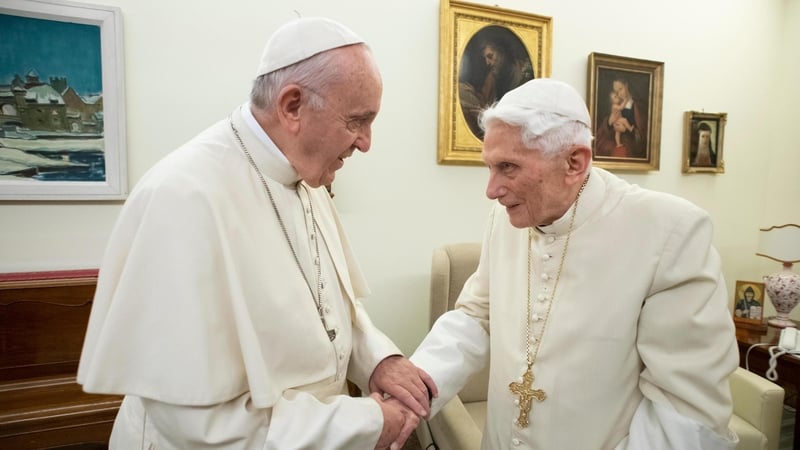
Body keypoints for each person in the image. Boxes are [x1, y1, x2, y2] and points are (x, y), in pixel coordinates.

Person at [77, 17, 436, 450]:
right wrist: (367, 423)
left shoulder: (307, 176)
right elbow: (201, 426)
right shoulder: (183, 196)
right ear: (292, 106)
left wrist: (379, 360)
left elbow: (333, 309)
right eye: (357, 121)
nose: (365, 142)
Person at [411, 79, 740, 449]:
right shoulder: (504, 218)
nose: (492, 190)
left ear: (574, 162)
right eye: (489, 167)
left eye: (508, 167)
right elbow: (476, 317)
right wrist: (411, 389)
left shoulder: (671, 232)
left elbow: (686, 412)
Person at [595, 77, 647, 158]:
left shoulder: (638, 105)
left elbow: (643, 134)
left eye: (620, 89)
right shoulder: (617, 104)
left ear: (626, 86)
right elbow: (603, 131)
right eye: (616, 92)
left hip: (631, 144)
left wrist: (626, 130)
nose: (619, 94)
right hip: (616, 141)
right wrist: (609, 122)